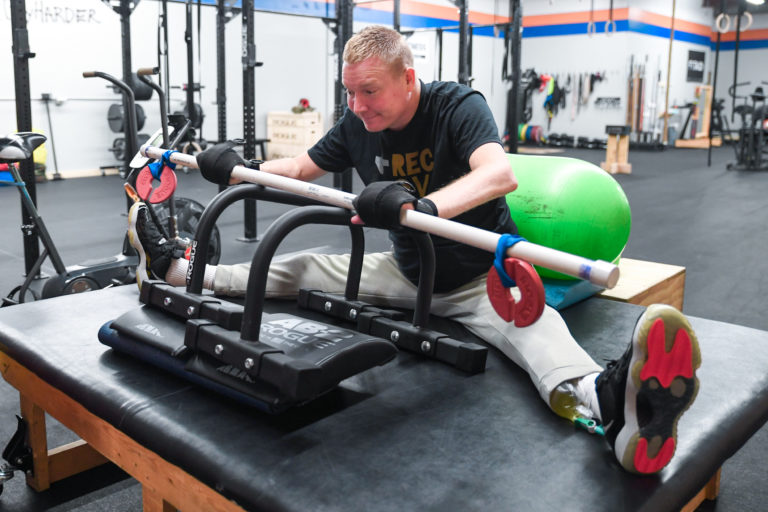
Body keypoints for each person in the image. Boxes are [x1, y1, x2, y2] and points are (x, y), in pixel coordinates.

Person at [127, 25, 700, 475]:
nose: (357, 105)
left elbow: (499, 175)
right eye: (348, 92)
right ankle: (182, 268)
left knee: (539, 333)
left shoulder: (456, 107)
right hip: (407, 273)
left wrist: (423, 209)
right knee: (300, 266)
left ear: (408, 78)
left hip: (480, 280)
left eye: (369, 91)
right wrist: (233, 172)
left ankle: (614, 405)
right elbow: (301, 169)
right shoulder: (357, 123)